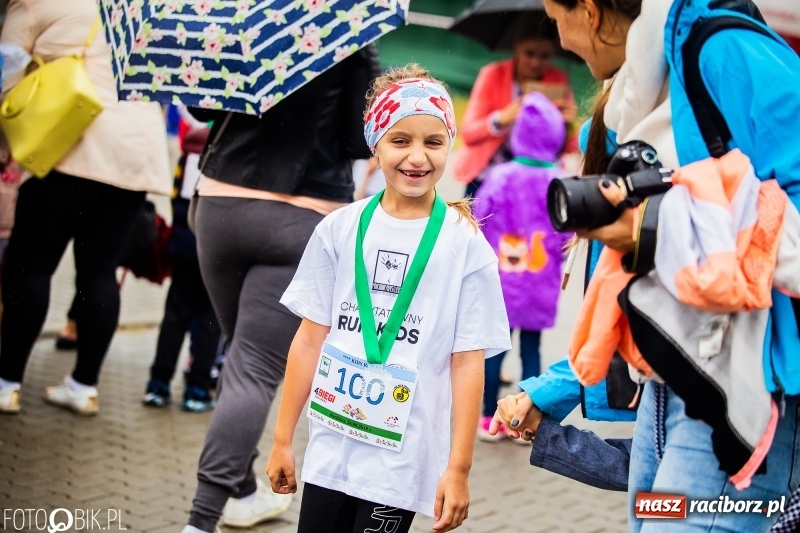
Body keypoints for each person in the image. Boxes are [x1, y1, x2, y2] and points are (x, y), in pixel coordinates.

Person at [500, 0, 800, 531]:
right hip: (666, 389)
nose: (560, 40)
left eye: (555, 16)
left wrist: (653, 229)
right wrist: (555, 388)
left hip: (749, 395)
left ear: (590, 11)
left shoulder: (724, 49)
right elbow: (644, 291)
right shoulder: (638, 102)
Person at [266, 64, 511, 533]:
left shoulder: (465, 247)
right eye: (401, 140)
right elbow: (309, 339)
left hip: (401, 461)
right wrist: (282, 439)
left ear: (450, 146)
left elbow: (467, 362)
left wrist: (458, 469)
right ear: (374, 144)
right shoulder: (339, 228)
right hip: (331, 449)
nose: (417, 157)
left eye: (433, 142)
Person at [179, 45, 381, 533]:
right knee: (253, 368)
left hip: (222, 204)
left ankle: (244, 491)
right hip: (304, 217)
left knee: (243, 360)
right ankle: (200, 522)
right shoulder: (351, 35)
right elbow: (362, 140)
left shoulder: (247, 20)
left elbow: (201, 107)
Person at [0, 0, 171, 415]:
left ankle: (7, 383)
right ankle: (83, 386)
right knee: (99, 271)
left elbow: (7, 67)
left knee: (32, 265)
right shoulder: (145, 7)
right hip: (134, 151)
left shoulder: (39, 2)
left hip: (69, 139)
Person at [472, 92, 570, 442]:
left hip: (502, 280)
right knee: (532, 349)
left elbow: (478, 214)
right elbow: (568, 231)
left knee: (495, 347)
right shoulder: (558, 180)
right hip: (540, 281)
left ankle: (487, 417)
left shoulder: (501, 176)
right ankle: (526, 420)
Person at [452, 12, 577, 197]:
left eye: (544, 56)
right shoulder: (493, 74)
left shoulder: (558, 81)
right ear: (517, 47)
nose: (535, 62)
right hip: (486, 177)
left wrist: (566, 125)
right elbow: (469, 133)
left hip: (532, 181)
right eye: (529, 53)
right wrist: (501, 119)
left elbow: (568, 148)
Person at [143, 124, 221, 413]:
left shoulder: (194, 141)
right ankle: (197, 390)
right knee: (210, 320)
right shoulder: (239, 144)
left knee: (175, 316)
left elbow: (178, 197)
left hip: (185, 241)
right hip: (216, 247)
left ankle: (158, 385)